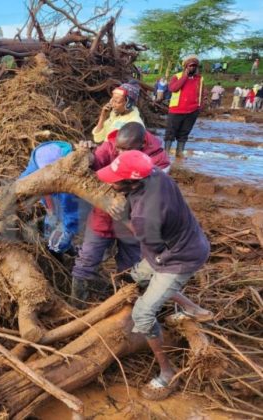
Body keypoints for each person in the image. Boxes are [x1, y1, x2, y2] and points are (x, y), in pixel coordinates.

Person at [95, 149, 213, 401]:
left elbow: (147, 239)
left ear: (132, 181)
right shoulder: (155, 173)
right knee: (141, 278)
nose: (110, 182)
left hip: (178, 258)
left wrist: (123, 218)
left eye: (116, 180)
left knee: (142, 312)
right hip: (187, 240)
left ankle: (166, 372)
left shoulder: (145, 213)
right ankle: (195, 310)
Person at [72, 122, 171, 307]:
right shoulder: (113, 143)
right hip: (103, 213)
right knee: (86, 259)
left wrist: (125, 210)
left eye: (124, 150)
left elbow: (154, 196)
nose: (118, 152)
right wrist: (86, 154)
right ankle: (76, 305)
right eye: (117, 148)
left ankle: (122, 306)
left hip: (135, 220)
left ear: (141, 146)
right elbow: (95, 163)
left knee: (129, 267)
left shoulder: (158, 160)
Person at [19, 141, 81, 255]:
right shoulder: (38, 159)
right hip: (51, 208)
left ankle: (67, 249)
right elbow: (22, 181)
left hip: (67, 213)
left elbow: (72, 212)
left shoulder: (68, 184)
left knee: (57, 244)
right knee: (49, 230)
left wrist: (68, 230)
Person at [165, 55, 203, 158]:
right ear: (185, 66)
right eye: (190, 66)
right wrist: (184, 77)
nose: (193, 68)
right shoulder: (177, 76)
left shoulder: (199, 79)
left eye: (194, 66)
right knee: (170, 132)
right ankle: (166, 153)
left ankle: (179, 152)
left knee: (184, 133)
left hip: (192, 111)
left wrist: (200, 107)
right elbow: (173, 88)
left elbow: (202, 93)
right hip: (176, 110)